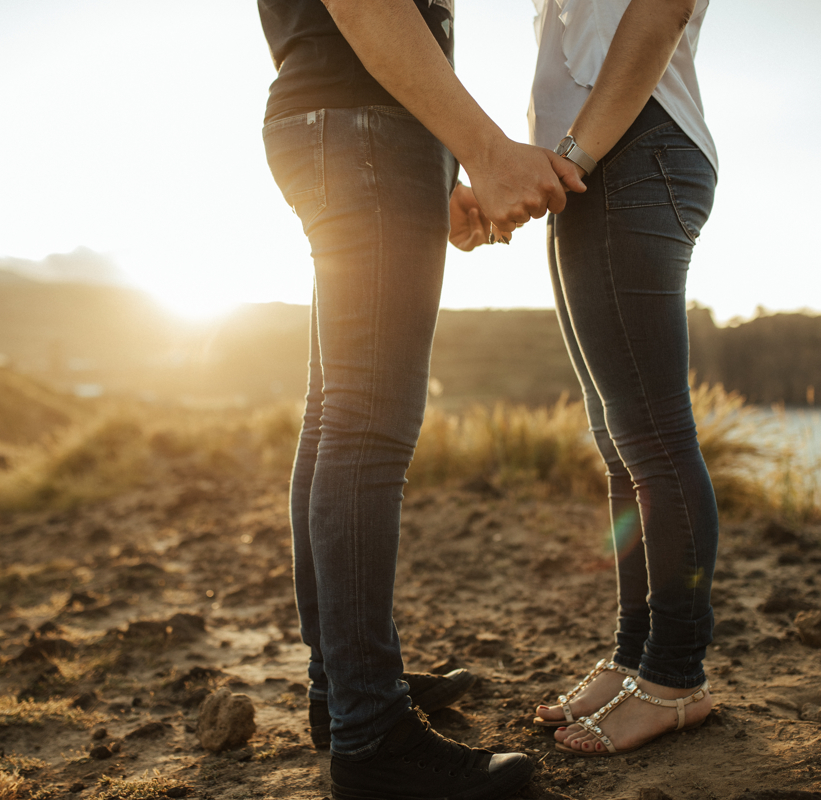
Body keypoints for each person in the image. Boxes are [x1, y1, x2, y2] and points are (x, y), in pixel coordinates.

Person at [256, 1, 585, 797]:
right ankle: (373, 740)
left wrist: (437, 169)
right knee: (366, 430)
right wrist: (487, 151)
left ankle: (343, 694)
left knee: (336, 416)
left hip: (349, 124)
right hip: (362, 125)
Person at [453, 0, 720, 756]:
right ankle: (636, 657)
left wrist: (568, 154)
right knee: (621, 441)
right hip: (595, 166)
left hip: (630, 151)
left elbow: (662, 9)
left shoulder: (601, 150)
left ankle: (674, 681)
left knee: (654, 438)